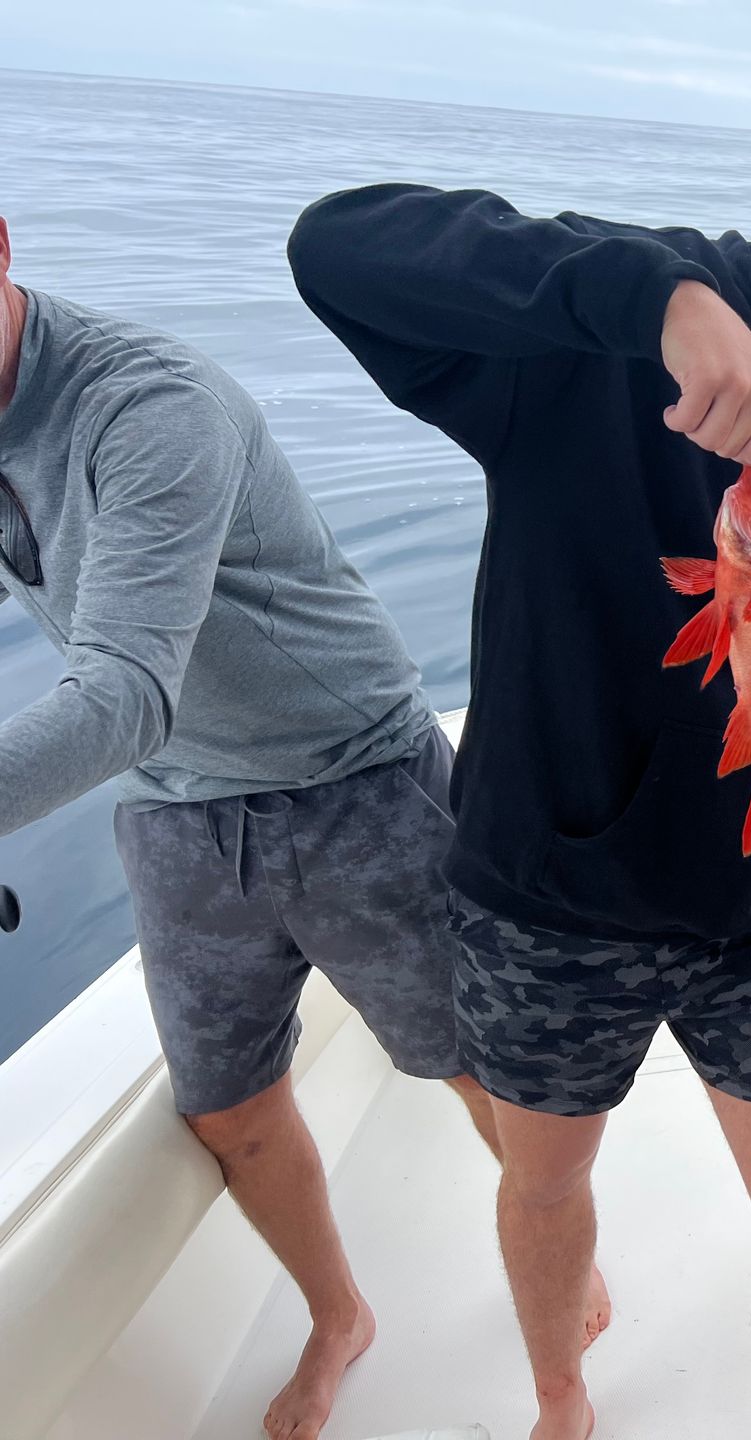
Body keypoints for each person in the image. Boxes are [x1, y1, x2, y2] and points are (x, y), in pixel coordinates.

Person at [286, 51, 751, 1440]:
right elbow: (337, 245)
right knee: (546, 1184)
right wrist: (661, 303)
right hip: (550, 888)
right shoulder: (634, 315)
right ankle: (562, 1400)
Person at [0, 217, 511, 1440]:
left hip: (355, 779)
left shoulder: (147, 405)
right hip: (176, 810)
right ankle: (340, 1316)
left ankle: (557, 1250)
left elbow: (123, 693)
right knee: (226, 1108)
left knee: (476, 1062)